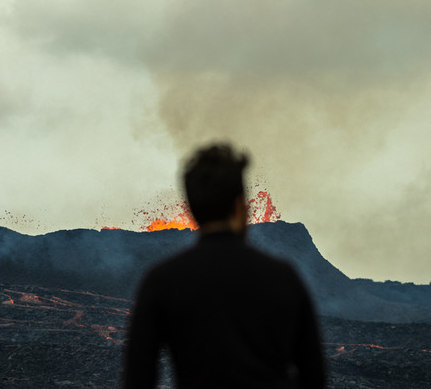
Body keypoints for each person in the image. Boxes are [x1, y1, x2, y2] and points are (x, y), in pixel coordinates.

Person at [122, 143, 327, 389]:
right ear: (240, 205)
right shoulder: (283, 276)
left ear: (191, 210)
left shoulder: (162, 281)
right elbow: (314, 376)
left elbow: (138, 378)